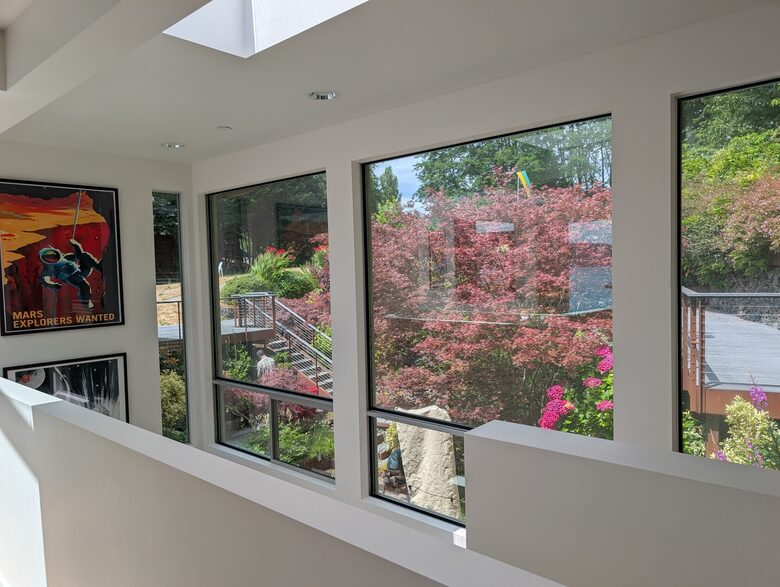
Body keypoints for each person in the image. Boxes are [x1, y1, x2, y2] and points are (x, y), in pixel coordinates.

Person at [39, 239, 102, 310]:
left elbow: (79, 255)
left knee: (85, 256)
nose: (52, 257)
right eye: (48, 257)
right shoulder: (48, 269)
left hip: (81, 271)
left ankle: (100, 266)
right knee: (84, 286)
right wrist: (52, 285)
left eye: (52, 254)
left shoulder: (67, 257)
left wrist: (76, 245)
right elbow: (44, 280)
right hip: (72, 278)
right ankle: (86, 303)